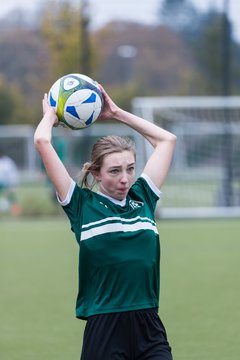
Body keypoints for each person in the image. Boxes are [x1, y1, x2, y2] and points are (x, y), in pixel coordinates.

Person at [34, 85, 177, 360]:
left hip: (149, 325)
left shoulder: (143, 197)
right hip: (105, 328)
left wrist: (117, 113)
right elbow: (42, 142)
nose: (125, 178)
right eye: (115, 171)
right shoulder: (81, 205)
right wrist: (51, 116)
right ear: (97, 174)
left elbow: (167, 140)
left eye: (130, 169)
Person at [0, 148, 22, 216]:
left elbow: (13, 175)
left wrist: (14, 186)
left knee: (12, 199)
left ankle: (16, 214)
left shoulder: (8, 162)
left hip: (6, 184)